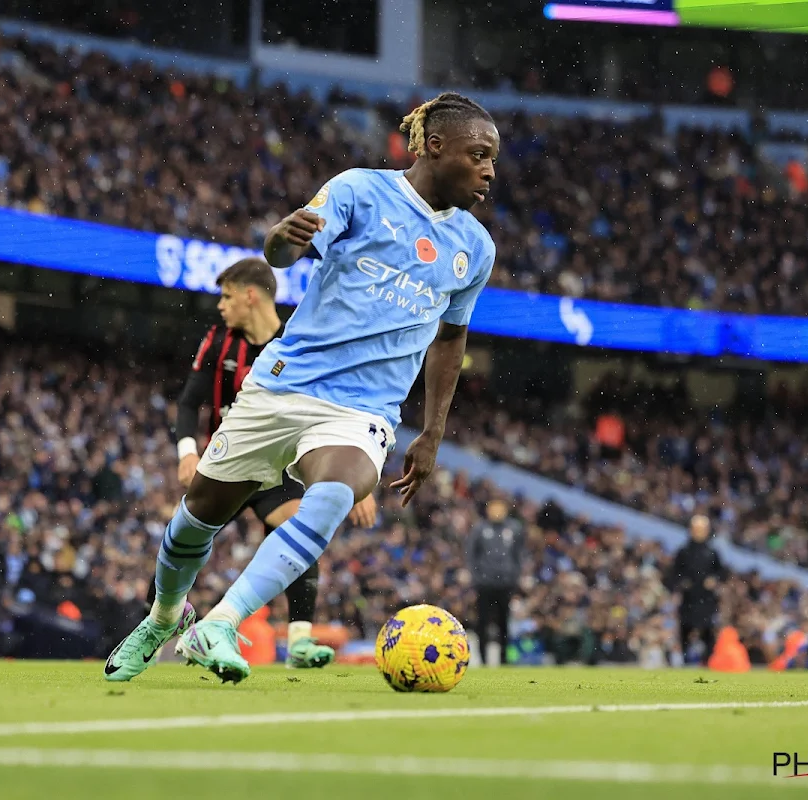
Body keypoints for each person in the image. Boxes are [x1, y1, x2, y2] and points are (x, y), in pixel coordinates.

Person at [105, 91, 499, 683]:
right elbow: (284, 253)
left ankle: (222, 621)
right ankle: (164, 616)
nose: (490, 171)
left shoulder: (476, 247)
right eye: (480, 155)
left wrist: (434, 430)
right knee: (198, 514)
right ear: (435, 146)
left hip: (363, 408)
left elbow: (450, 340)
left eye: (494, 159)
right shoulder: (359, 191)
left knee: (337, 490)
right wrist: (279, 239)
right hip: (287, 383)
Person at [141, 257, 377, 669]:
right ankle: (153, 626)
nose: (221, 306)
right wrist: (187, 451)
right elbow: (189, 400)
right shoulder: (218, 341)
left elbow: (335, 410)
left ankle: (300, 641)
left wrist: (350, 480)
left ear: (251, 296)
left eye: (227, 296)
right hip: (230, 462)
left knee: (298, 527)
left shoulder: (298, 342)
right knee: (185, 535)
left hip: (281, 467)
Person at [467, 499, 523, 665]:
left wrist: (514, 577)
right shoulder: (480, 529)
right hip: (485, 584)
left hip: (505, 584)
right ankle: (483, 659)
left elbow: (518, 554)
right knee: (482, 621)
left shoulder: (514, 528)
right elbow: (471, 555)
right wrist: (477, 577)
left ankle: (504, 659)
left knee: (503, 622)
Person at [667, 514, 725, 663]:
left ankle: (708, 661)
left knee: (707, 631)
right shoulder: (684, 551)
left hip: (706, 598)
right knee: (685, 630)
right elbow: (674, 573)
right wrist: (682, 582)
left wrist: (714, 579)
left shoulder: (712, 552)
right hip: (689, 598)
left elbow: (722, 572)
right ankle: (686, 661)